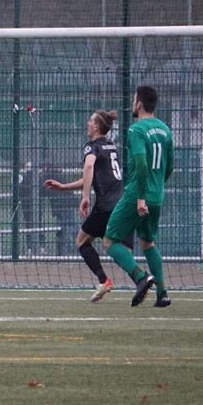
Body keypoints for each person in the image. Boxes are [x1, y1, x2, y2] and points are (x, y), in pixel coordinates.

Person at [45, 109, 130, 302]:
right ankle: (140, 280)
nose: (88, 123)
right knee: (115, 245)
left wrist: (85, 197)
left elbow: (89, 166)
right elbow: (90, 177)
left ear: (97, 127)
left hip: (105, 205)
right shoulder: (111, 146)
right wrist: (64, 187)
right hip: (120, 203)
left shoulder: (91, 147)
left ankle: (105, 280)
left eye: (91, 121)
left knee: (82, 241)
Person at [102, 86, 175, 308]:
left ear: (140, 104)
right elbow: (169, 166)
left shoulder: (136, 130)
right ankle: (162, 293)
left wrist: (141, 197)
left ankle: (140, 277)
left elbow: (141, 163)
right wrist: (155, 188)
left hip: (136, 195)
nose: (133, 103)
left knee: (109, 241)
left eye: (134, 100)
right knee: (147, 242)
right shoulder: (165, 130)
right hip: (156, 196)